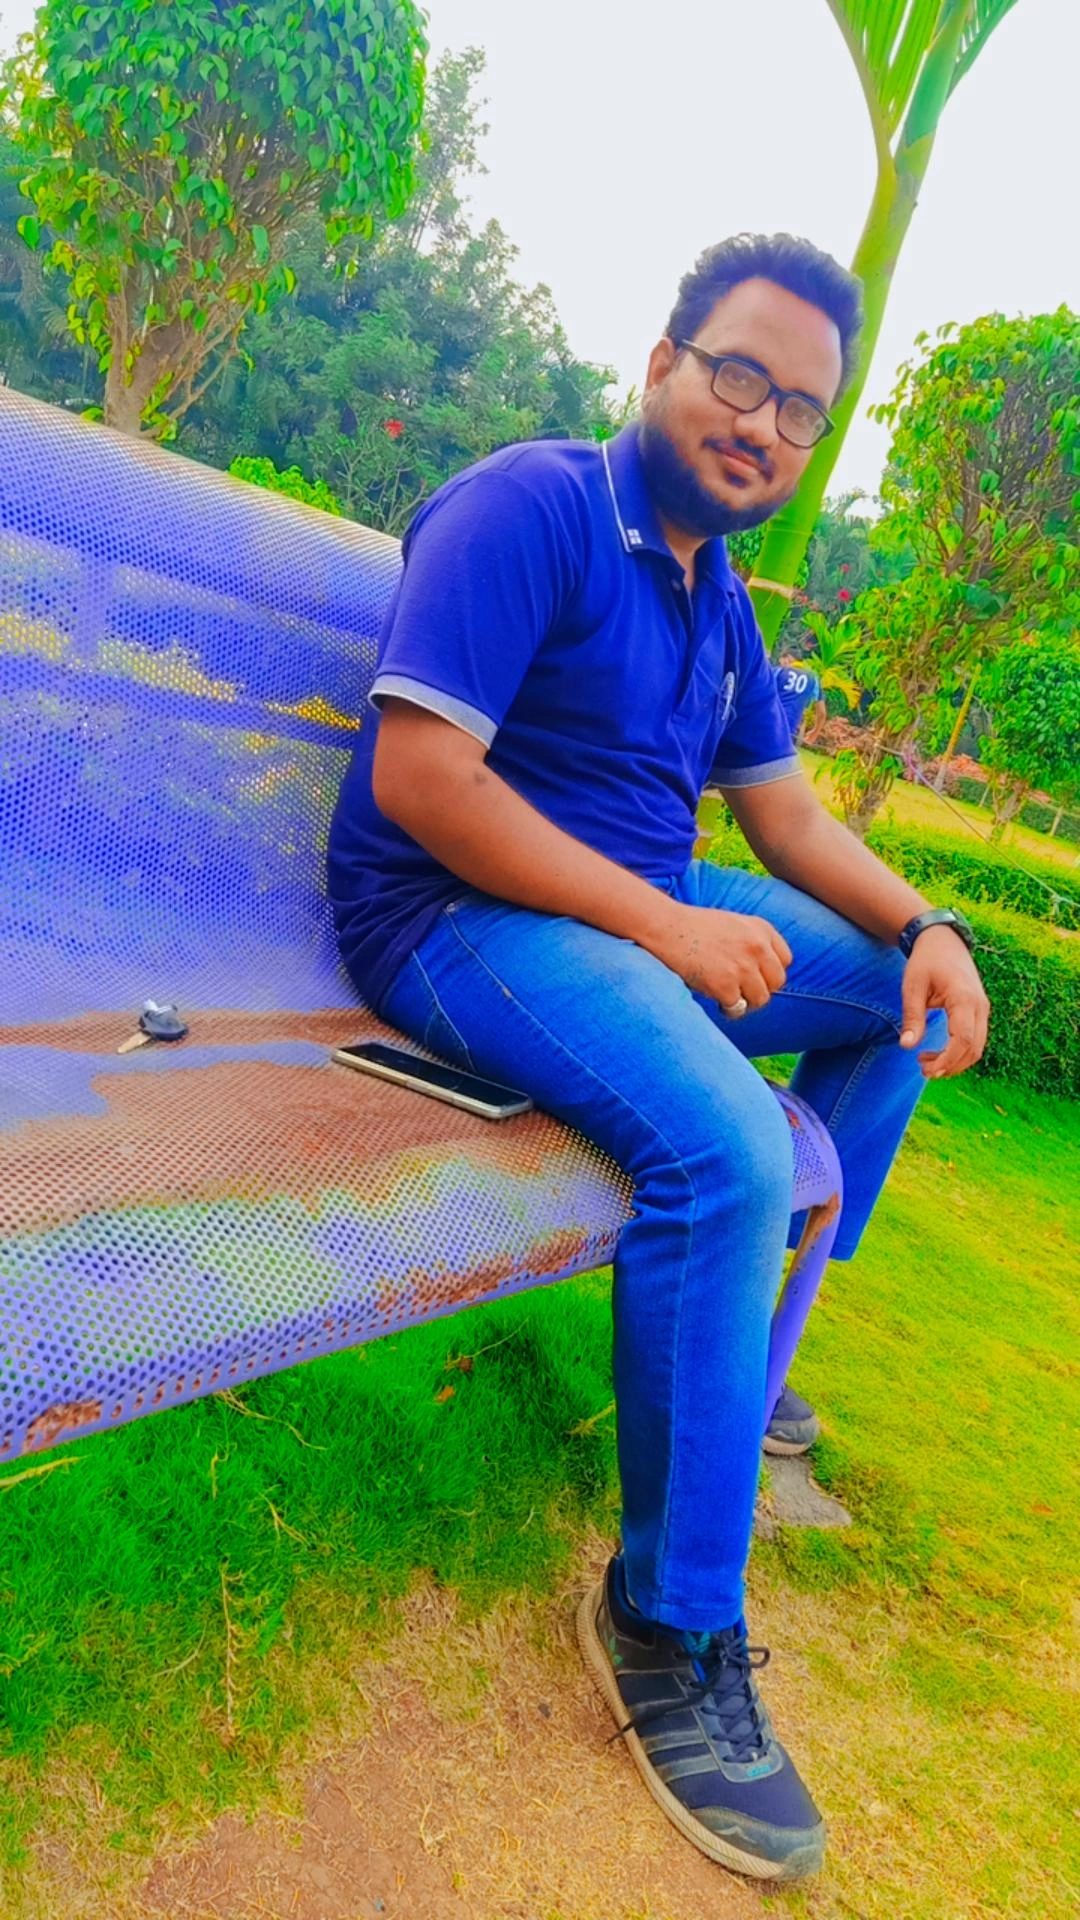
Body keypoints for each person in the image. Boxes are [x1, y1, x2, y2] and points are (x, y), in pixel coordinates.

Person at [327, 232, 989, 1884]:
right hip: (459, 916)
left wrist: (930, 926)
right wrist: (667, 930)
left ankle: (743, 1349)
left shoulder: (721, 597)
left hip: (635, 912)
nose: (763, 423)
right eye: (740, 375)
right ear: (664, 364)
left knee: (892, 1001)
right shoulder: (533, 507)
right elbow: (423, 781)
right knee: (730, 1153)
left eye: (800, 408)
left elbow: (789, 818)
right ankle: (670, 1619)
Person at [774, 654, 827, 747]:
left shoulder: (778, 671)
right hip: (788, 732)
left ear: (787, 658)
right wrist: (814, 733)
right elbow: (822, 713)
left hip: (767, 723)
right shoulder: (813, 679)